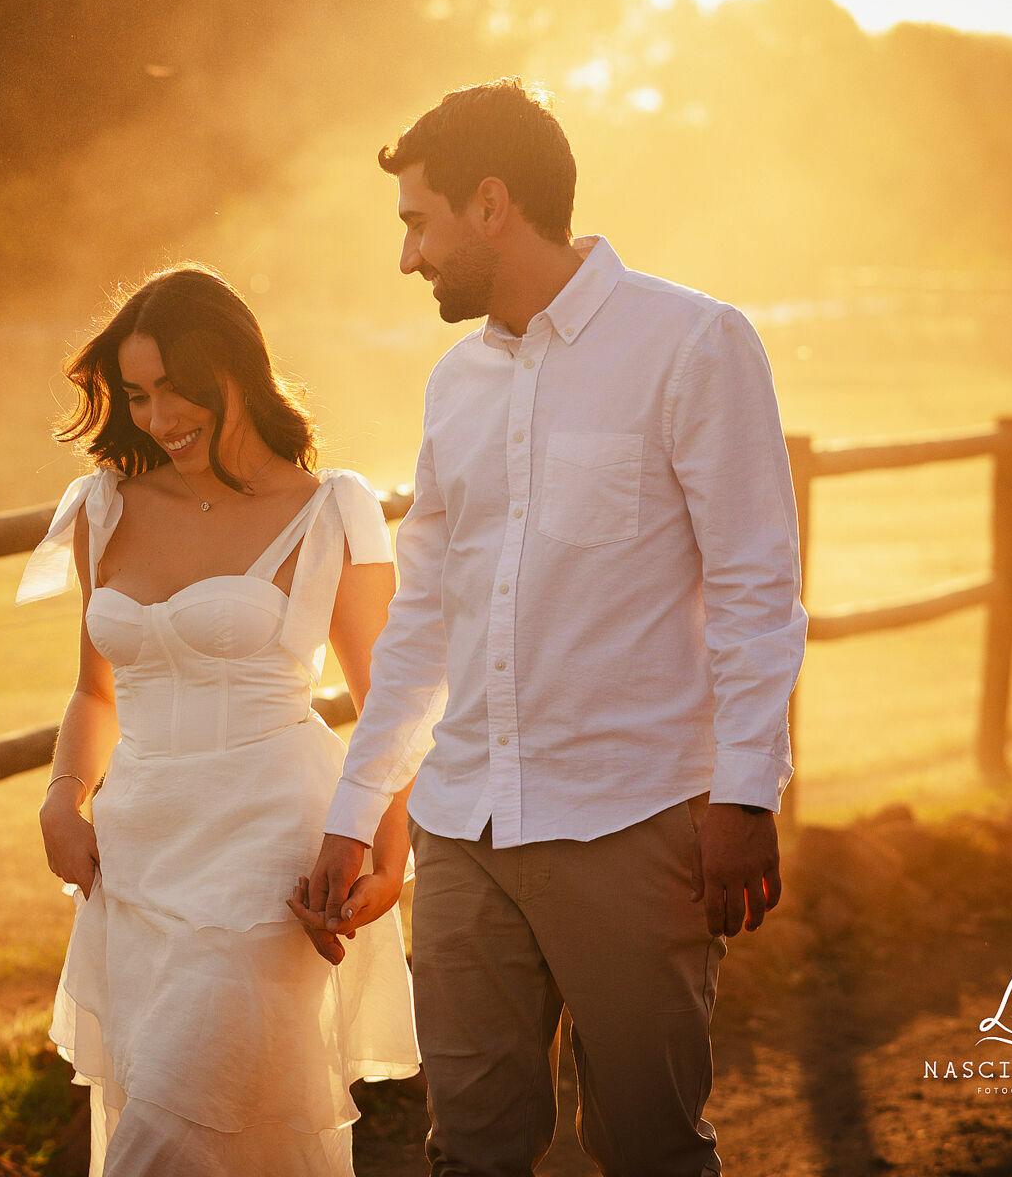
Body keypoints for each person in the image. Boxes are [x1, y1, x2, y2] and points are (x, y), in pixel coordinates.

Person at [299, 79, 808, 1176]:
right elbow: (425, 613)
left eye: (416, 223)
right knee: (470, 1150)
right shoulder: (454, 387)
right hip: (464, 827)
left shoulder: (694, 343)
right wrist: (359, 805)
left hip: (634, 823)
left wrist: (748, 793)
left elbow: (756, 583)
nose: (407, 258)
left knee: (648, 1147)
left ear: (491, 205)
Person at [17, 265, 421, 1176]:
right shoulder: (102, 507)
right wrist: (60, 801)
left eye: (178, 390)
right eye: (138, 395)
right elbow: (95, 692)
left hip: (271, 856)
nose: (160, 419)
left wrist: (390, 858)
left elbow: (385, 699)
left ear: (239, 368)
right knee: (197, 1123)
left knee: (168, 1134)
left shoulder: (331, 510)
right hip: (138, 854)